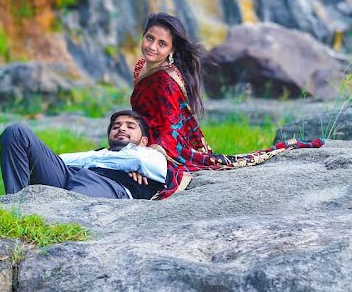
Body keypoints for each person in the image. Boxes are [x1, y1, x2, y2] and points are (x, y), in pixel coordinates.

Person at [130, 12, 324, 198]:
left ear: (172, 50)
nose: (152, 46)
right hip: (143, 137)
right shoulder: (141, 66)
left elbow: (171, 129)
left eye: (162, 44)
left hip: (165, 146)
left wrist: (146, 156)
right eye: (149, 38)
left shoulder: (166, 80)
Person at [0, 111, 167, 200]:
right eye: (116, 126)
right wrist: (125, 163)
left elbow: (141, 161)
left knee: (70, 202)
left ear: (144, 141)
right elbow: (61, 160)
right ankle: (15, 203)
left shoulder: (150, 155)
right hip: (67, 174)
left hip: (109, 185)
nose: (122, 128)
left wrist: (133, 163)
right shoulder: (99, 153)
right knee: (16, 132)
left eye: (130, 126)